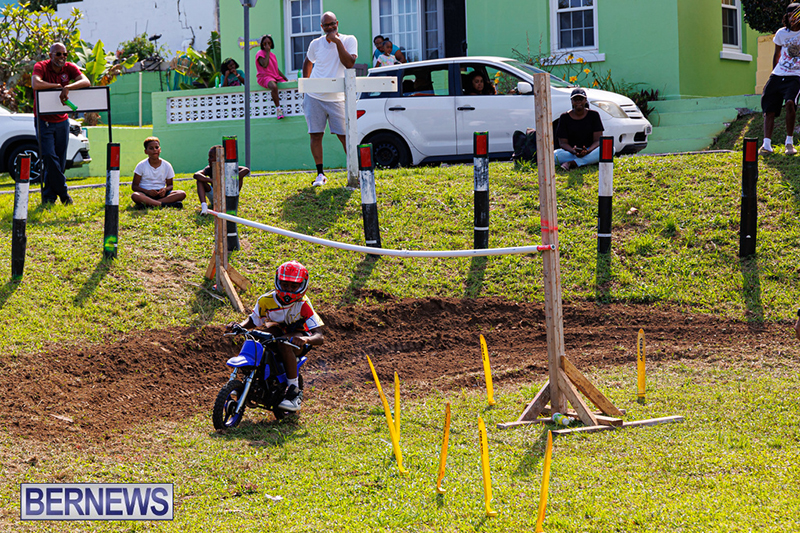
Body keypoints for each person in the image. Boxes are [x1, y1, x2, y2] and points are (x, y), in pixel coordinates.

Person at [229, 260, 325, 412]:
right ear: (277, 282)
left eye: (294, 286)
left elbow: (319, 336)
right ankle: (249, 380)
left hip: (298, 339)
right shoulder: (265, 300)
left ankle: (294, 392)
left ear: (303, 286)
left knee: (284, 344)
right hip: (278, 331)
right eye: (285, 285)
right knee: (256, 338)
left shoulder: (303, 305)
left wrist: (306, 339)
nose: (288, 290)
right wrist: (239, 326)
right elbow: (253, 320)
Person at [302, 11, 358, 187]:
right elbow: (308, 62)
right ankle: (320, 174)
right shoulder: (315, 44)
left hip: (337, 98)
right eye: (326, 25)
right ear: (322, 27)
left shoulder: (349, 40)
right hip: (314, 96)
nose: (330, 28)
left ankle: (353, 171)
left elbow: (349, 63)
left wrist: (337, 42)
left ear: (337, 23)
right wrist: (305, 88)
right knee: (315, 135)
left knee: (344, 136)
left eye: (332, 24)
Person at [31, 42, 90, 205]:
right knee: (49, 157)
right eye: (58, 54)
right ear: (50, 55)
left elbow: (86, 81)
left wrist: (68, 87)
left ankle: (49, 197)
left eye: (64, 54)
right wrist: (58, 86)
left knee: (60, 160)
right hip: (44, 121)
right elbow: (36, 84)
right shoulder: (41, 66)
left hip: (62, 121)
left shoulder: (69, 67)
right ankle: (64, 194)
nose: (62, 57)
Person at [760, 3, 800, 156]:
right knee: (769, 107)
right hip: (778, 74)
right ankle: (767, 145)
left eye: (795, 15)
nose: (792, 19)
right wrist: (773, 74)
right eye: (789, 16)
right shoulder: (781, 34)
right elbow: (776, 55)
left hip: (796, 76)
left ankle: (789, 143)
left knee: (790, 103)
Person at [554, 88, 604, 170]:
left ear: (585, 100)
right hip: (571, 152)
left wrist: (587, 151)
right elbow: (562, 143)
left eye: (581, 99)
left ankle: (573, 163)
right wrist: (573, 151)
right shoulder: (564, 117)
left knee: (610, 150)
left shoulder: (594, 115)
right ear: (572, 101)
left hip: (590, 150)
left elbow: (598, 140)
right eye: (575, 99)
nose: (578, 102)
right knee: (554, 155)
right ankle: (587, 160)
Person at [131, 137, 186, 209]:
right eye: (151, 148)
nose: (155, 150)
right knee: (135, 195)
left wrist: (165, 190)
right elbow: (134, 186)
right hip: (145, 193)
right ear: (146, 151)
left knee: (181, 193)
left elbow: (170, 185)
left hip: (162, 194)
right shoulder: (141, 165)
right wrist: (147, 192)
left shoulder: (167, 165)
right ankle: (165, 204)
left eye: (157, 147)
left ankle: (150, 203)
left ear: (160, 149)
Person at [194, 145, 250, 215]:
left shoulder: (228, 166)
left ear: (219, 158)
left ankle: (232, 201)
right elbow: (196, 175)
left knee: (239, 177)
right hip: (215, 196)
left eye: (211, 157)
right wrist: (211, 180)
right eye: (209, 157)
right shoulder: (209, 168)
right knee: (200, 181)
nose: (208, 159)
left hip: (228, 194)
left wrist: (229, 179)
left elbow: (246, 170)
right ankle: (204, 207)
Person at [256, 34, 288, 119]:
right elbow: (265, 65)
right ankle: (278, 109)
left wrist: (284, 78)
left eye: (269, 43)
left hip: (274, 76)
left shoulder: (273, 55)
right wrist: (267, 52)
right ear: (262, 45)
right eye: (265, 43)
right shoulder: (260, 53)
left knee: (288, 85)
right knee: (273, 86)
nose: (267, 45)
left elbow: (275, 68)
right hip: (264, 77)